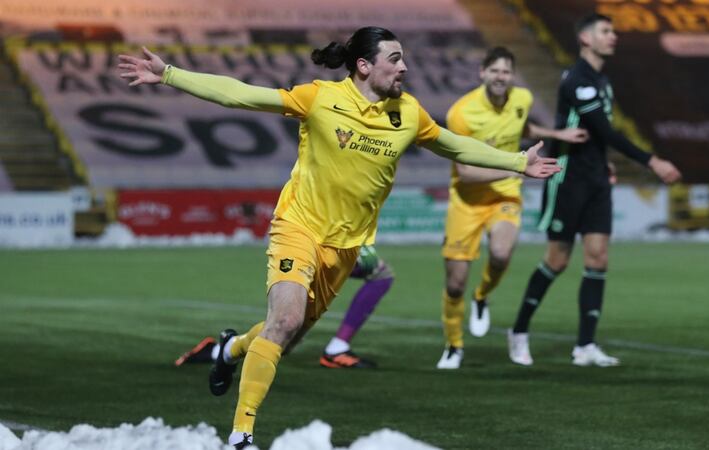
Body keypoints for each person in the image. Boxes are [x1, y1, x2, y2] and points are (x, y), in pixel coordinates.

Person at [119, 27, 560, 449]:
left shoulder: (408, 113)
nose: (404, 67)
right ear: (364, 66)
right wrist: (169, 74)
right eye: (395, 58)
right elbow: (241, 94)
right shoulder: (321, 98)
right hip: (298, 226)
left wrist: (518, 162)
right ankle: (240, 436)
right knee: (285, 321)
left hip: (346, 248)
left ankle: (229, 350)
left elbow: (455, 145)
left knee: (283, 337)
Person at [507, 13, 681, 368]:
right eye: (605, 31)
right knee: (557, 260)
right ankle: (519, 331)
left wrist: (604, 163)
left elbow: (595, 137)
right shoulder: (577, 79)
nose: (612, 36)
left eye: (613, 30)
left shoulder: (602, 80)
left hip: (597, 178)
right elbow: (604, 131)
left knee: (598, 258)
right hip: (567, 178)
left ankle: (585, 346)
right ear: (586, 39)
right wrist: (652, 161)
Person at [436, 47, 588, 369]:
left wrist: (557, 134)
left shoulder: (522, 99)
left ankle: (482, 296)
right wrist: (517, 167)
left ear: (512, 76)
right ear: (482, 73)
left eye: (506, 71)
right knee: (454, 283)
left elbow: (524, 128)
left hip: (505, 194)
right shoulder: (461, 113)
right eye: (495, 70)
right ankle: (454, 345)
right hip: (467, 198)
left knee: (503, 253)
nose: (500, 77)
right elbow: (465, 172)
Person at [174, 245, 393, 369]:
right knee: (284, 332)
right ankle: (220, 350)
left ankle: (337, 348)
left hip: (335, 230)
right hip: (310, 233)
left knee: (286, 336)